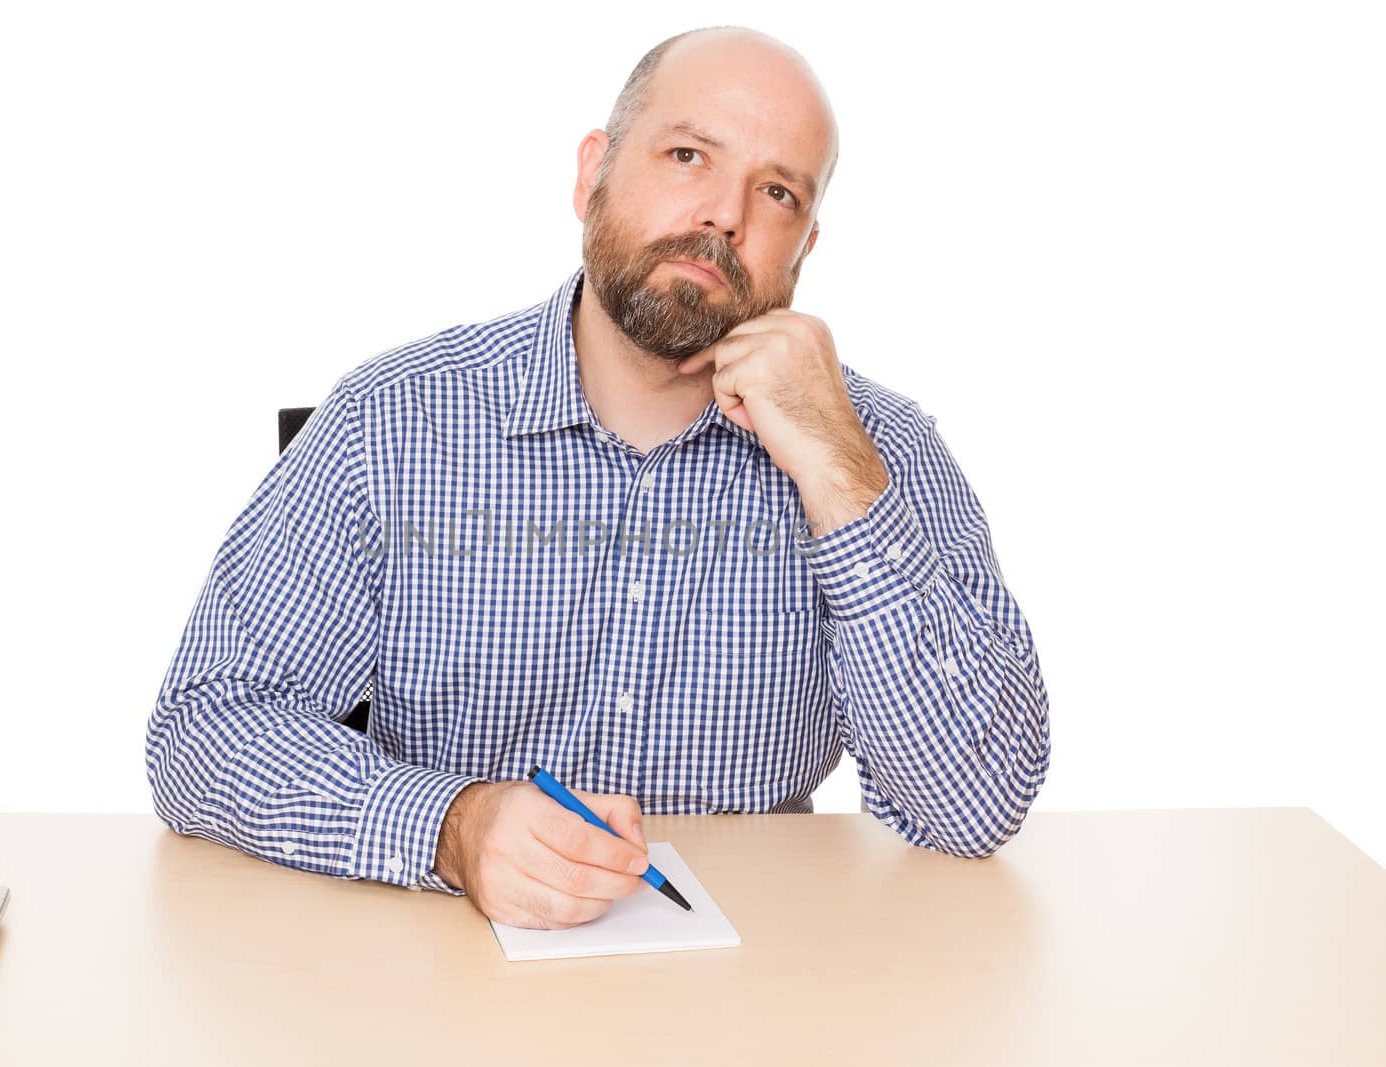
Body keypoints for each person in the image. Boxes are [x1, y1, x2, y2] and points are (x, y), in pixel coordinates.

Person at [145, 25, 1051, 932]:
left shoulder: (876, 445)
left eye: (776, 192)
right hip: (436, 985)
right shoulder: (392, 421)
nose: (724, 215)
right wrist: (451, 828)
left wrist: (838, 475)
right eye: (689, 155)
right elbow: (203, 729)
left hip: (753, 1001)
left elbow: (973, 805)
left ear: (804, 247)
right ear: (593, 175)